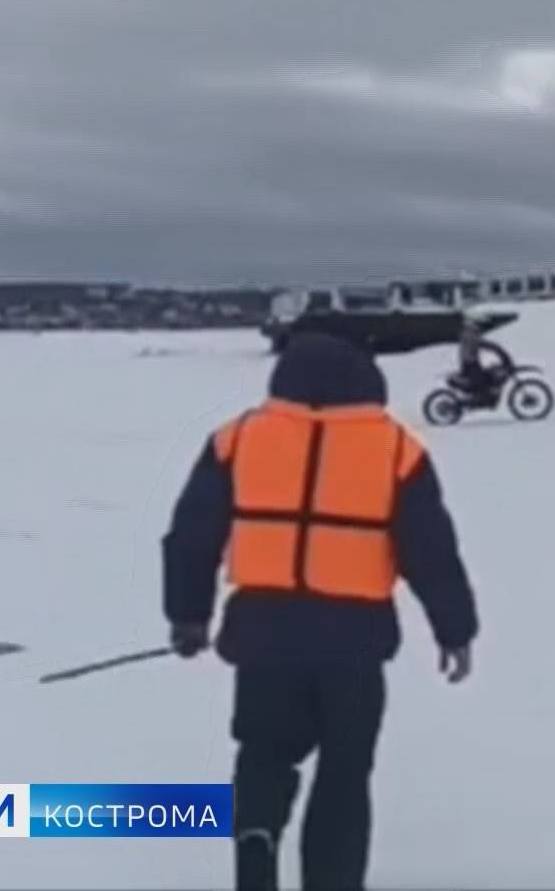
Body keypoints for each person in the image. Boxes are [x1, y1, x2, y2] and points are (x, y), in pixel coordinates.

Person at [163, 331, 479, 891]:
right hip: (352, 646)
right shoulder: (396, 449)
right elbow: (430, 549)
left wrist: (189, 615)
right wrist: (454, 629)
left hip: (264, 636)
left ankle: (256, 852)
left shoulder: (237, 440)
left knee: (262, 756)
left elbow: (191, 536)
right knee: (344, 774)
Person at [453, 319, 514, 399]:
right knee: (482, 380)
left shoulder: (469, 333)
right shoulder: (470, 334)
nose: (481, 327)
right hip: (470, 361)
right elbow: (482, 343)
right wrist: (496, 348)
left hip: (470, 360)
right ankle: (479, 398)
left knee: (487, 374)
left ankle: (484, 396)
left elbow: (480, 343)